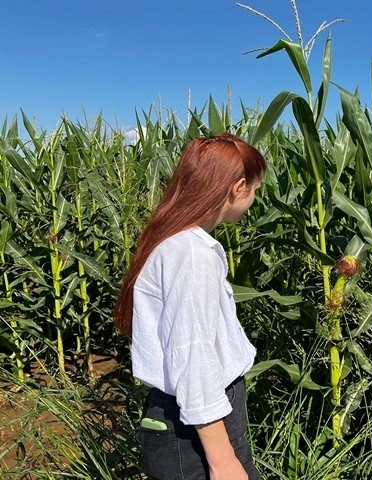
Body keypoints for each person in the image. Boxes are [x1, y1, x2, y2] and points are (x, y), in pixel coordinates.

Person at [113, 133, 266, 480]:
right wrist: (223, 460)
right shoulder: (193, 255)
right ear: (237, 188)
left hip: (186, 421)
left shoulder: (173, 241)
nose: (254, 198)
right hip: (195, 432)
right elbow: (193, 356)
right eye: (256, 189)